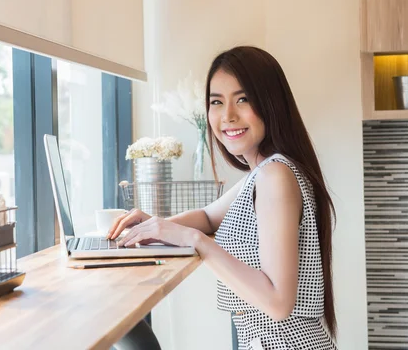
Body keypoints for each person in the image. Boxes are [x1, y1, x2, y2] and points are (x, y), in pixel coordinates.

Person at [107, 46, 337, 350]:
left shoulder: (275, 176)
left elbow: (278, 303)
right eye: (217, 102)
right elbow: (207, 216)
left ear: (272, 103)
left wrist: (197, 241)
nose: (227, 115)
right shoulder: (266, 172)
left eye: (243, 99)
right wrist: (154, 226)